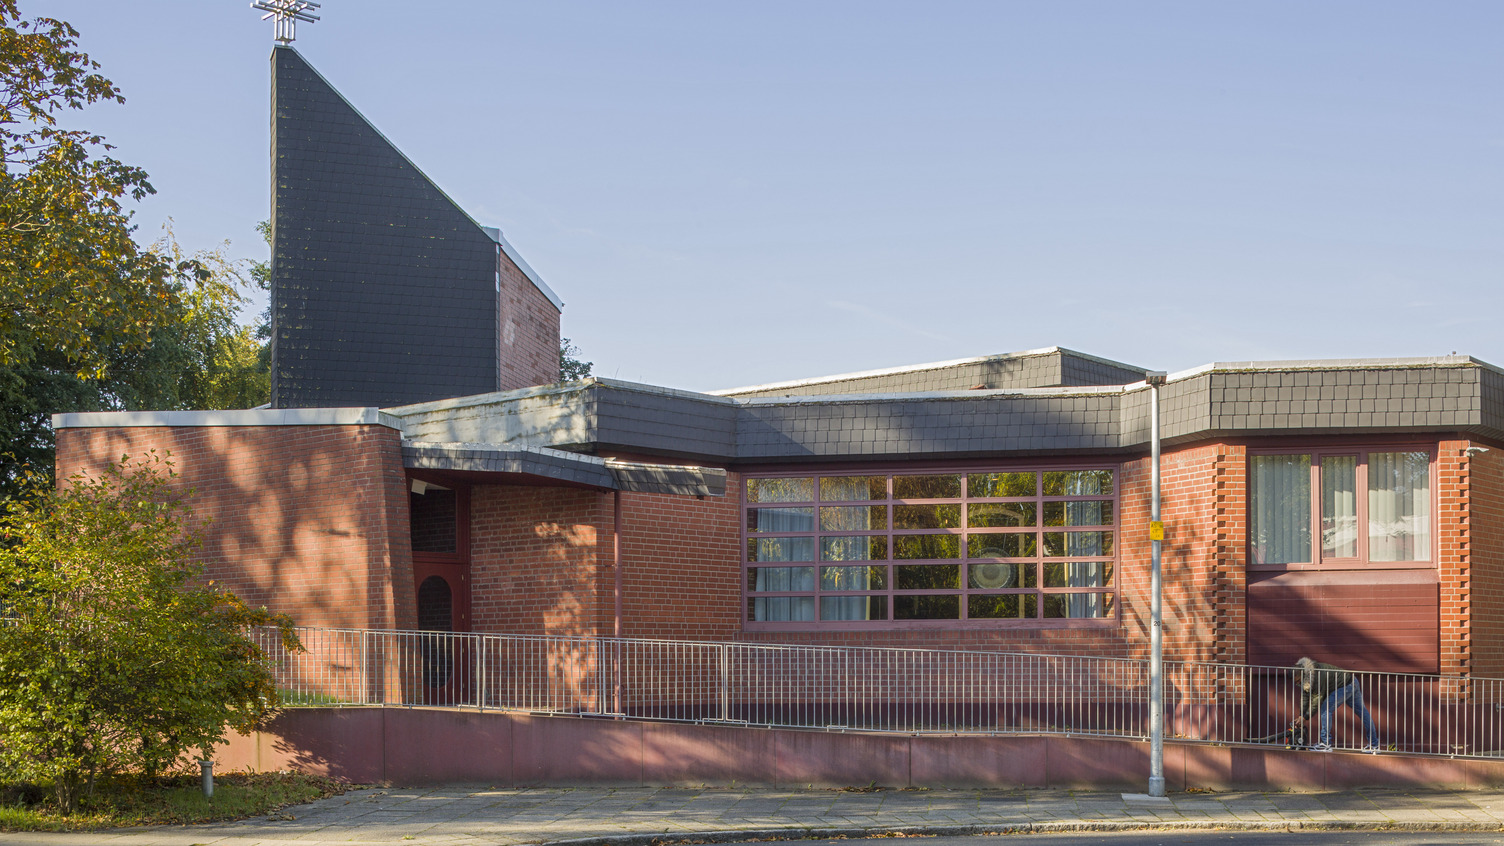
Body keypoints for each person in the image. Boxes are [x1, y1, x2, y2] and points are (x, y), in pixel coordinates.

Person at [1295, 656, 1380, 753]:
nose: (1298, 684)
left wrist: (1306, 717)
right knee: (1363, 713)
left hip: (1345, 686)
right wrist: (1301, 715)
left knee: (1325, 709)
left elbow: (1317, 699)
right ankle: (1374, 746)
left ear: (1302, 675)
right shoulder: (1308, 675)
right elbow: (1305, 697)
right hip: (1352, 682)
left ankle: (1325, 744)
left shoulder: (1317, 675)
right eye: (1296, 682)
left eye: (1298, 681)